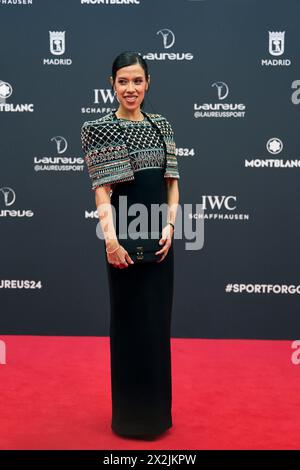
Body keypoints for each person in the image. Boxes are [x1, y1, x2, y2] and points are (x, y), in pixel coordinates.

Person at [81, 51, 180, 439]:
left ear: (148, 83)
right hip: (122, 246)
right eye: (123, 81)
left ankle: (157, 416)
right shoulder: (101, 129)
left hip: (160, 244)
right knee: (129, 328)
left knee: (157, 328)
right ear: (112, 84)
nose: (130, 89)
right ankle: (129, 418)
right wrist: (110, 241)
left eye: (137, 81)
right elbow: (102, 193)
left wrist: (172, 226)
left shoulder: (161, 126)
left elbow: (172, 183)